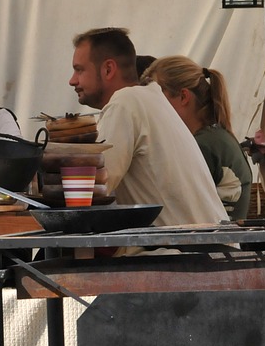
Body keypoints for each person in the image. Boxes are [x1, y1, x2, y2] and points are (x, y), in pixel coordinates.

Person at [69, 27, 226, 227]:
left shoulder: (126, 102)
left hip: (184, 253)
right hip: (200, 247)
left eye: (79, 69)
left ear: (108, 69)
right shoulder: (149, 98)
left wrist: (54, 161)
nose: (72, 80)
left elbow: (90, 190)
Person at [143, 56, 252, 220]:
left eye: (157, 97)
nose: (151, 107)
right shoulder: (215, 137)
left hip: (210, 243)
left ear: (183, 97)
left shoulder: (203, 145)